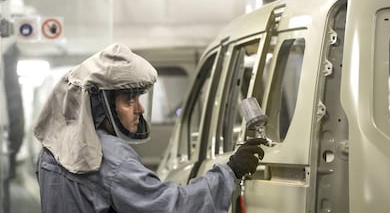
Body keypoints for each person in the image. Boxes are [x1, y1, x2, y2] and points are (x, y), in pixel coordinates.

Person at [33, 43, 267, 213]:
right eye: (129, 101)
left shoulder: (51, 152)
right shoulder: (110, 158)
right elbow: (173, 207)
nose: (141, 109)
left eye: (139, 98)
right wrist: (230, 171)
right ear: (100, 104)